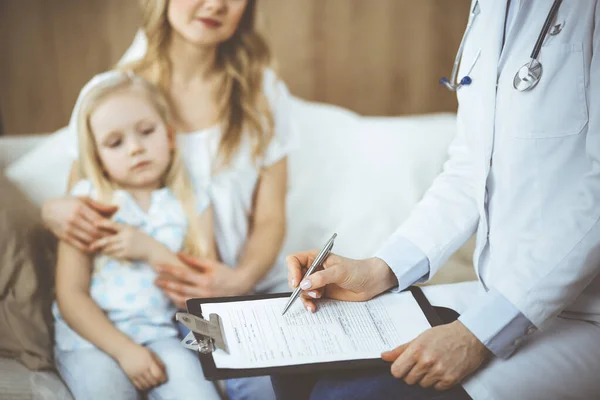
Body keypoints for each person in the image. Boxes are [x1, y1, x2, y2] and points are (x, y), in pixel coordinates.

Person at [273, 1, 600, 399]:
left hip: (585, 315)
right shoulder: (490, 9)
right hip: (493, 291)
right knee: (296, 366)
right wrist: (381, 269)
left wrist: (479, 333)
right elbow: (469, 168)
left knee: (348, 394)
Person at [42, 1, 293, 398]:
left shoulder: (261, 92)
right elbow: (79, 203)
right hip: (165, 311)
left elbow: (271, 217)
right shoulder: (112, 93)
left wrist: (239, 279)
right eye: (118, 141)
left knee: (255, 382)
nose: (215, 4)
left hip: (218, 297)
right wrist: (51, 209)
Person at [53, 71, 222, 399]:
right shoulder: (88, 200)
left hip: (161, 337)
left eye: (146, 132)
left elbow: (204, 295)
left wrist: (151, 250)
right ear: (97, 158)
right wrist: (124, 351)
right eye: (115, 142)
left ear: (170, 137)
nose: (135, 148)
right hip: (90, 342)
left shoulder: (193, 200)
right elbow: (70, 294)